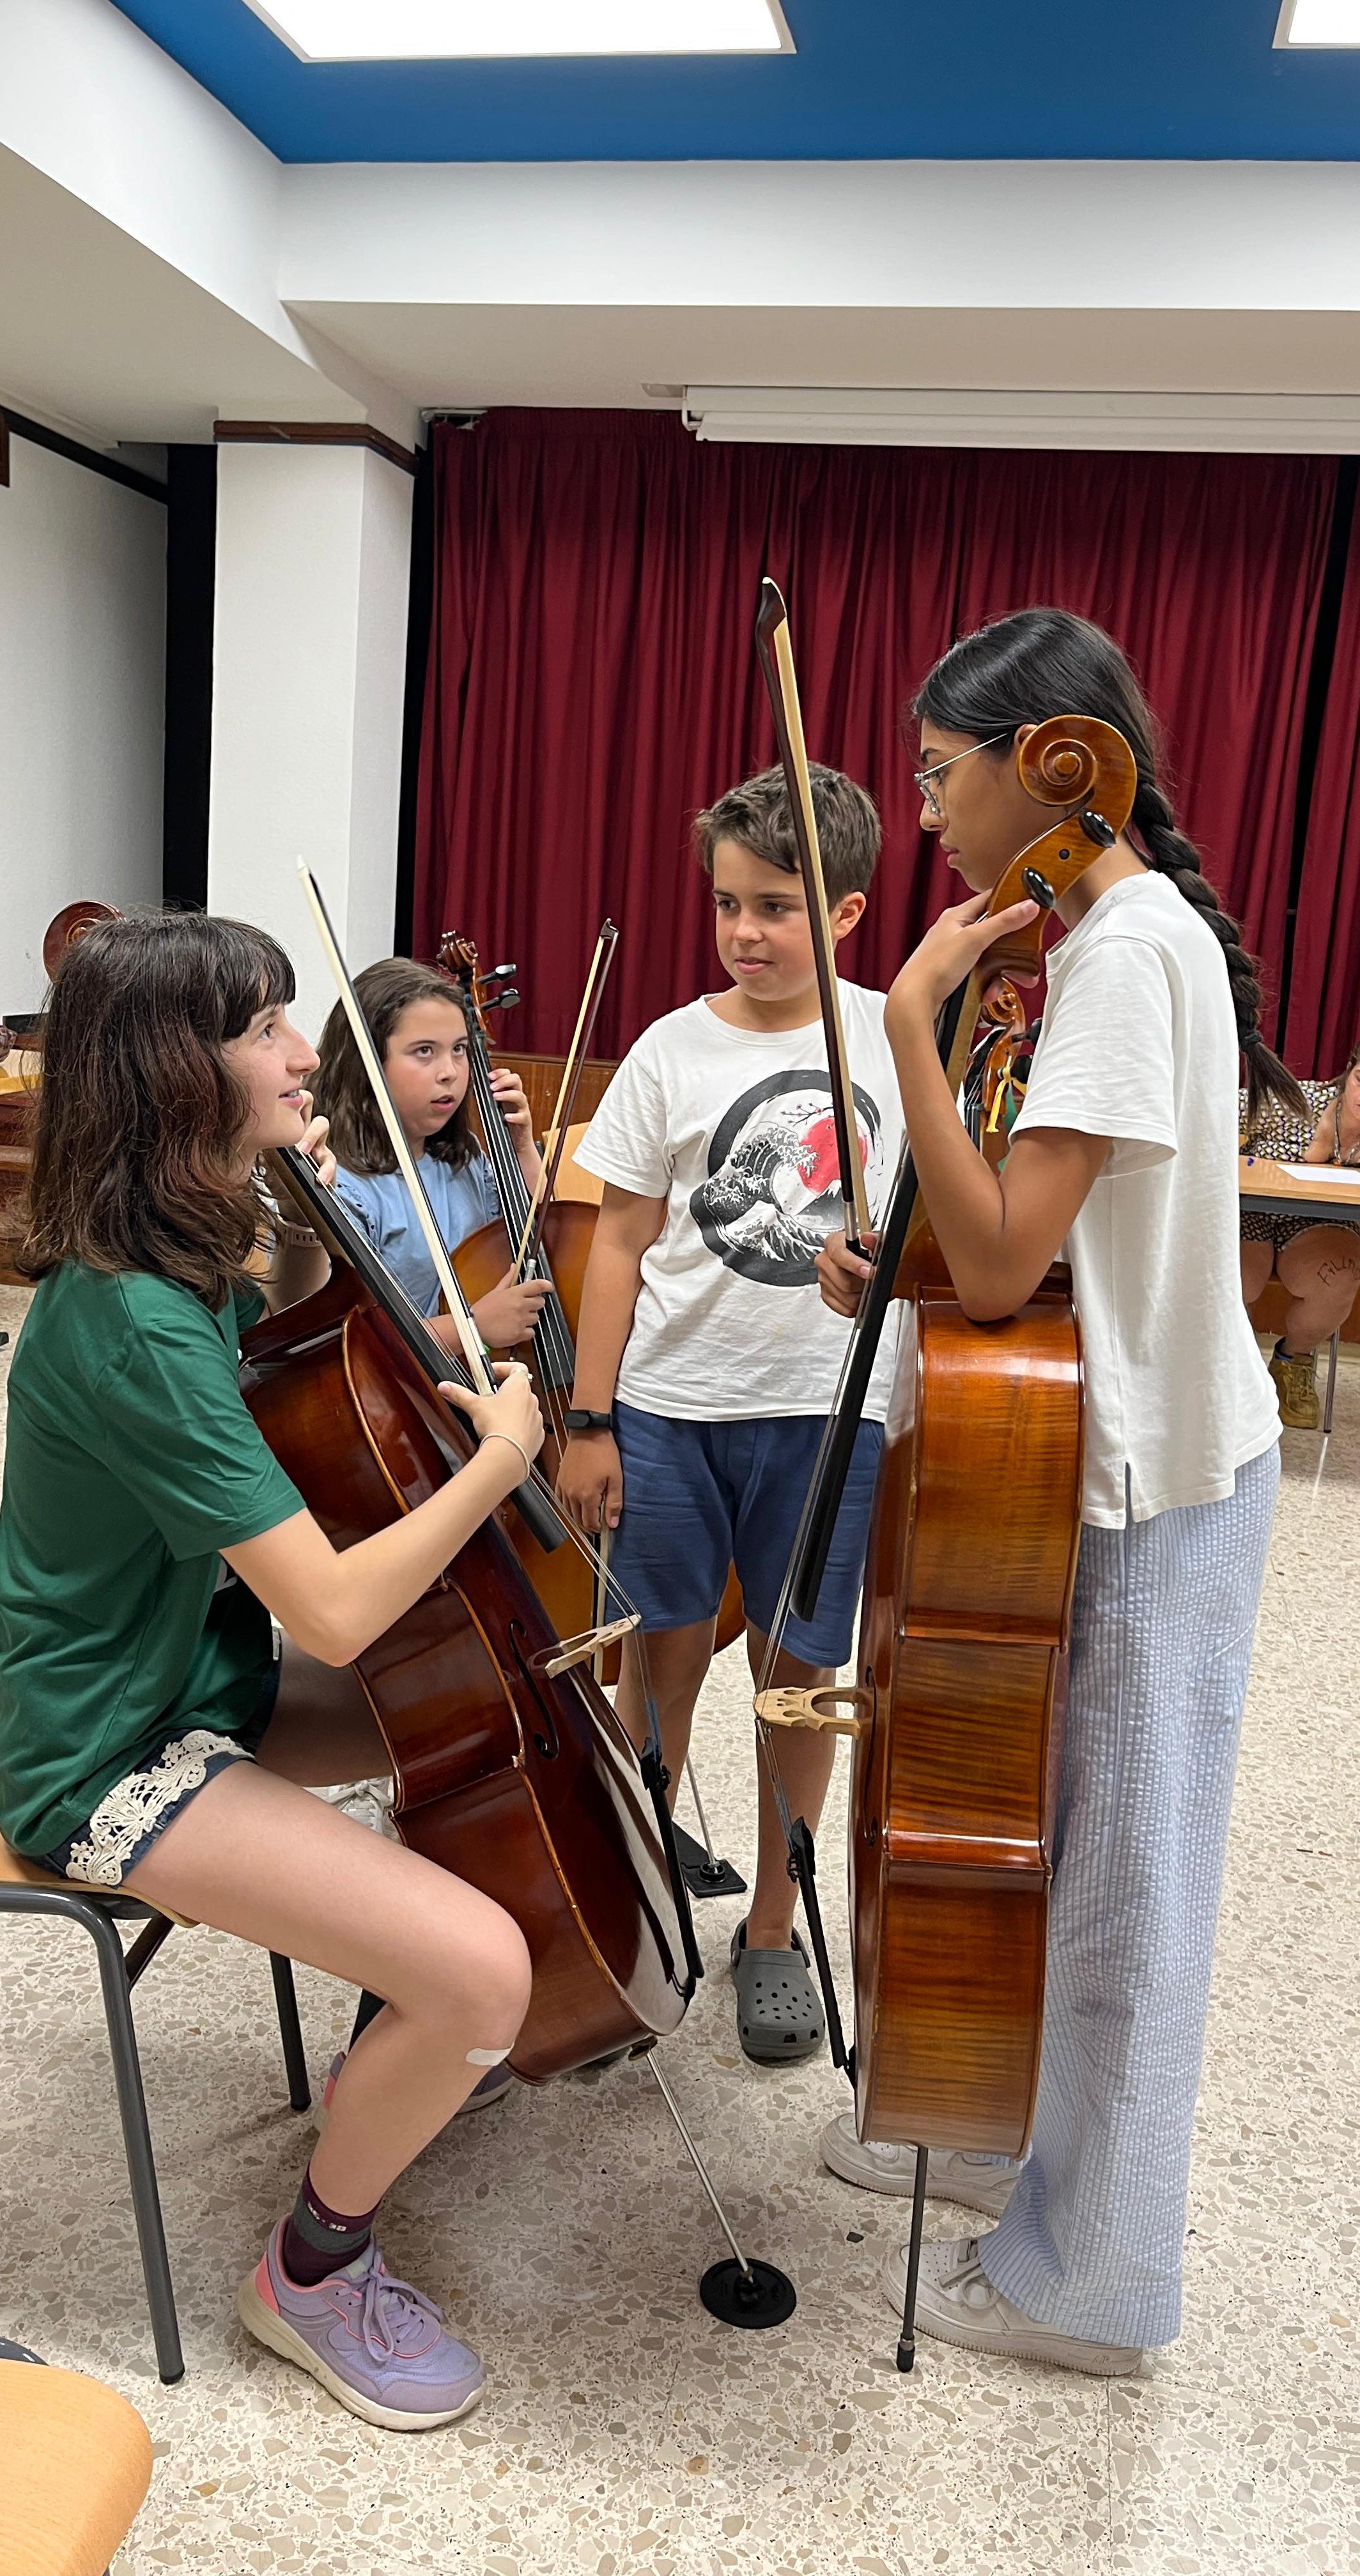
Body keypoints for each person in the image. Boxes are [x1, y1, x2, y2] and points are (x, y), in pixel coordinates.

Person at [0, 912, 544, 2430]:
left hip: (197, 1685)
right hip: (104, 1751)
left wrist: (323, 1228)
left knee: (475, 1708)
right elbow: (339, 1611)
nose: (307, 1056)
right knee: (489, 1966)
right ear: (175, 1070)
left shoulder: (184, 1267)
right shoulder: (133, 1325)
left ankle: (411, 2033)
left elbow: (302, 1360)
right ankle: (312, 2272)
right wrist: (499, 1461)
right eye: (267, 1029)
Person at [817, 609, 1287, 2375]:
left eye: (942, 775)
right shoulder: (1104, 933)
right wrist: (902, 1264)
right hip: (1133, 1452)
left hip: (1159, 1483)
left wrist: (909, 1021)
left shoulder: (1123, 951)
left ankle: (1092, 2291)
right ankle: (1004, 2150)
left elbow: (1014, 1259)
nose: (928, 813)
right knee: (1073, 1862)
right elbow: (1034, 1240)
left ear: (1049, 762)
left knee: (1122, 1902)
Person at [556, 763, 904, 2067]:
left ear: (847, 912)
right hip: (670, 1404)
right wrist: (589, 1416)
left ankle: (772, 1926)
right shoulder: (670, 1048)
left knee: (797, 1678)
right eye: (725, 904)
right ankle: (644, 1903)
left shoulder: (893, 1039)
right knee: (658, 1657)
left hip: (828, 1414)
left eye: (775, 906)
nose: (744, 932)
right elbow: (617, 1240)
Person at [315, 956, 555, 1355]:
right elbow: (348, 1339)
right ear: (366, 1060)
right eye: (425, 1051)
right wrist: (473, 1329)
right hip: (396, 1386)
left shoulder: (463, 1160)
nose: (451, 1072)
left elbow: (542, 1236)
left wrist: (522, 1147)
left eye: (459, 1049)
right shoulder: (340, 1183)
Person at [1240, 1039, 1360, 1427]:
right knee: (1238, 1281)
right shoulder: (1292, 1101)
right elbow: (1210, 1117)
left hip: (1318, 1224)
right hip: (1251, 1212)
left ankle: (1292, 1361)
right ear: (1348, 1073)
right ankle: (1234, 1365)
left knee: (1341, 1276)